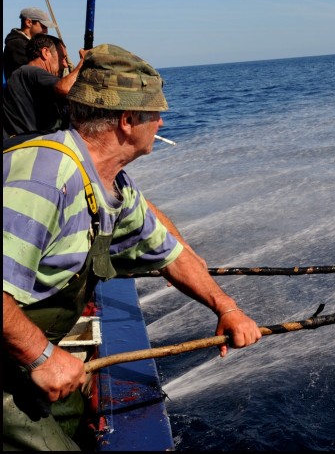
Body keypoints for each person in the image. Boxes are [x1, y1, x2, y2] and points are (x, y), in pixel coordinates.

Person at [2, 44, 262, 450]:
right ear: (127, 121)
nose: (159, 124)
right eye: (154, 115)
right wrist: (43, 357)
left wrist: (226, 308)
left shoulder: (111, 183)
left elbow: (168, 252)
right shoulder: (45, 176)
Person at [3, 34, 85, 139]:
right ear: (45, 53)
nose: (65, 64)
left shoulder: (31, 81)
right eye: (62, 58)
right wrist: (84, 61)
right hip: (30, 146)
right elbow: (65, 88)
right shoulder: (29, 71)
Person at [3, 7, 55, 81]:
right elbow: (33, 74)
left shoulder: (25, 44)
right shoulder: (17, 45)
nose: (46, 31)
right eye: (43, 26)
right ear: (29, 23)